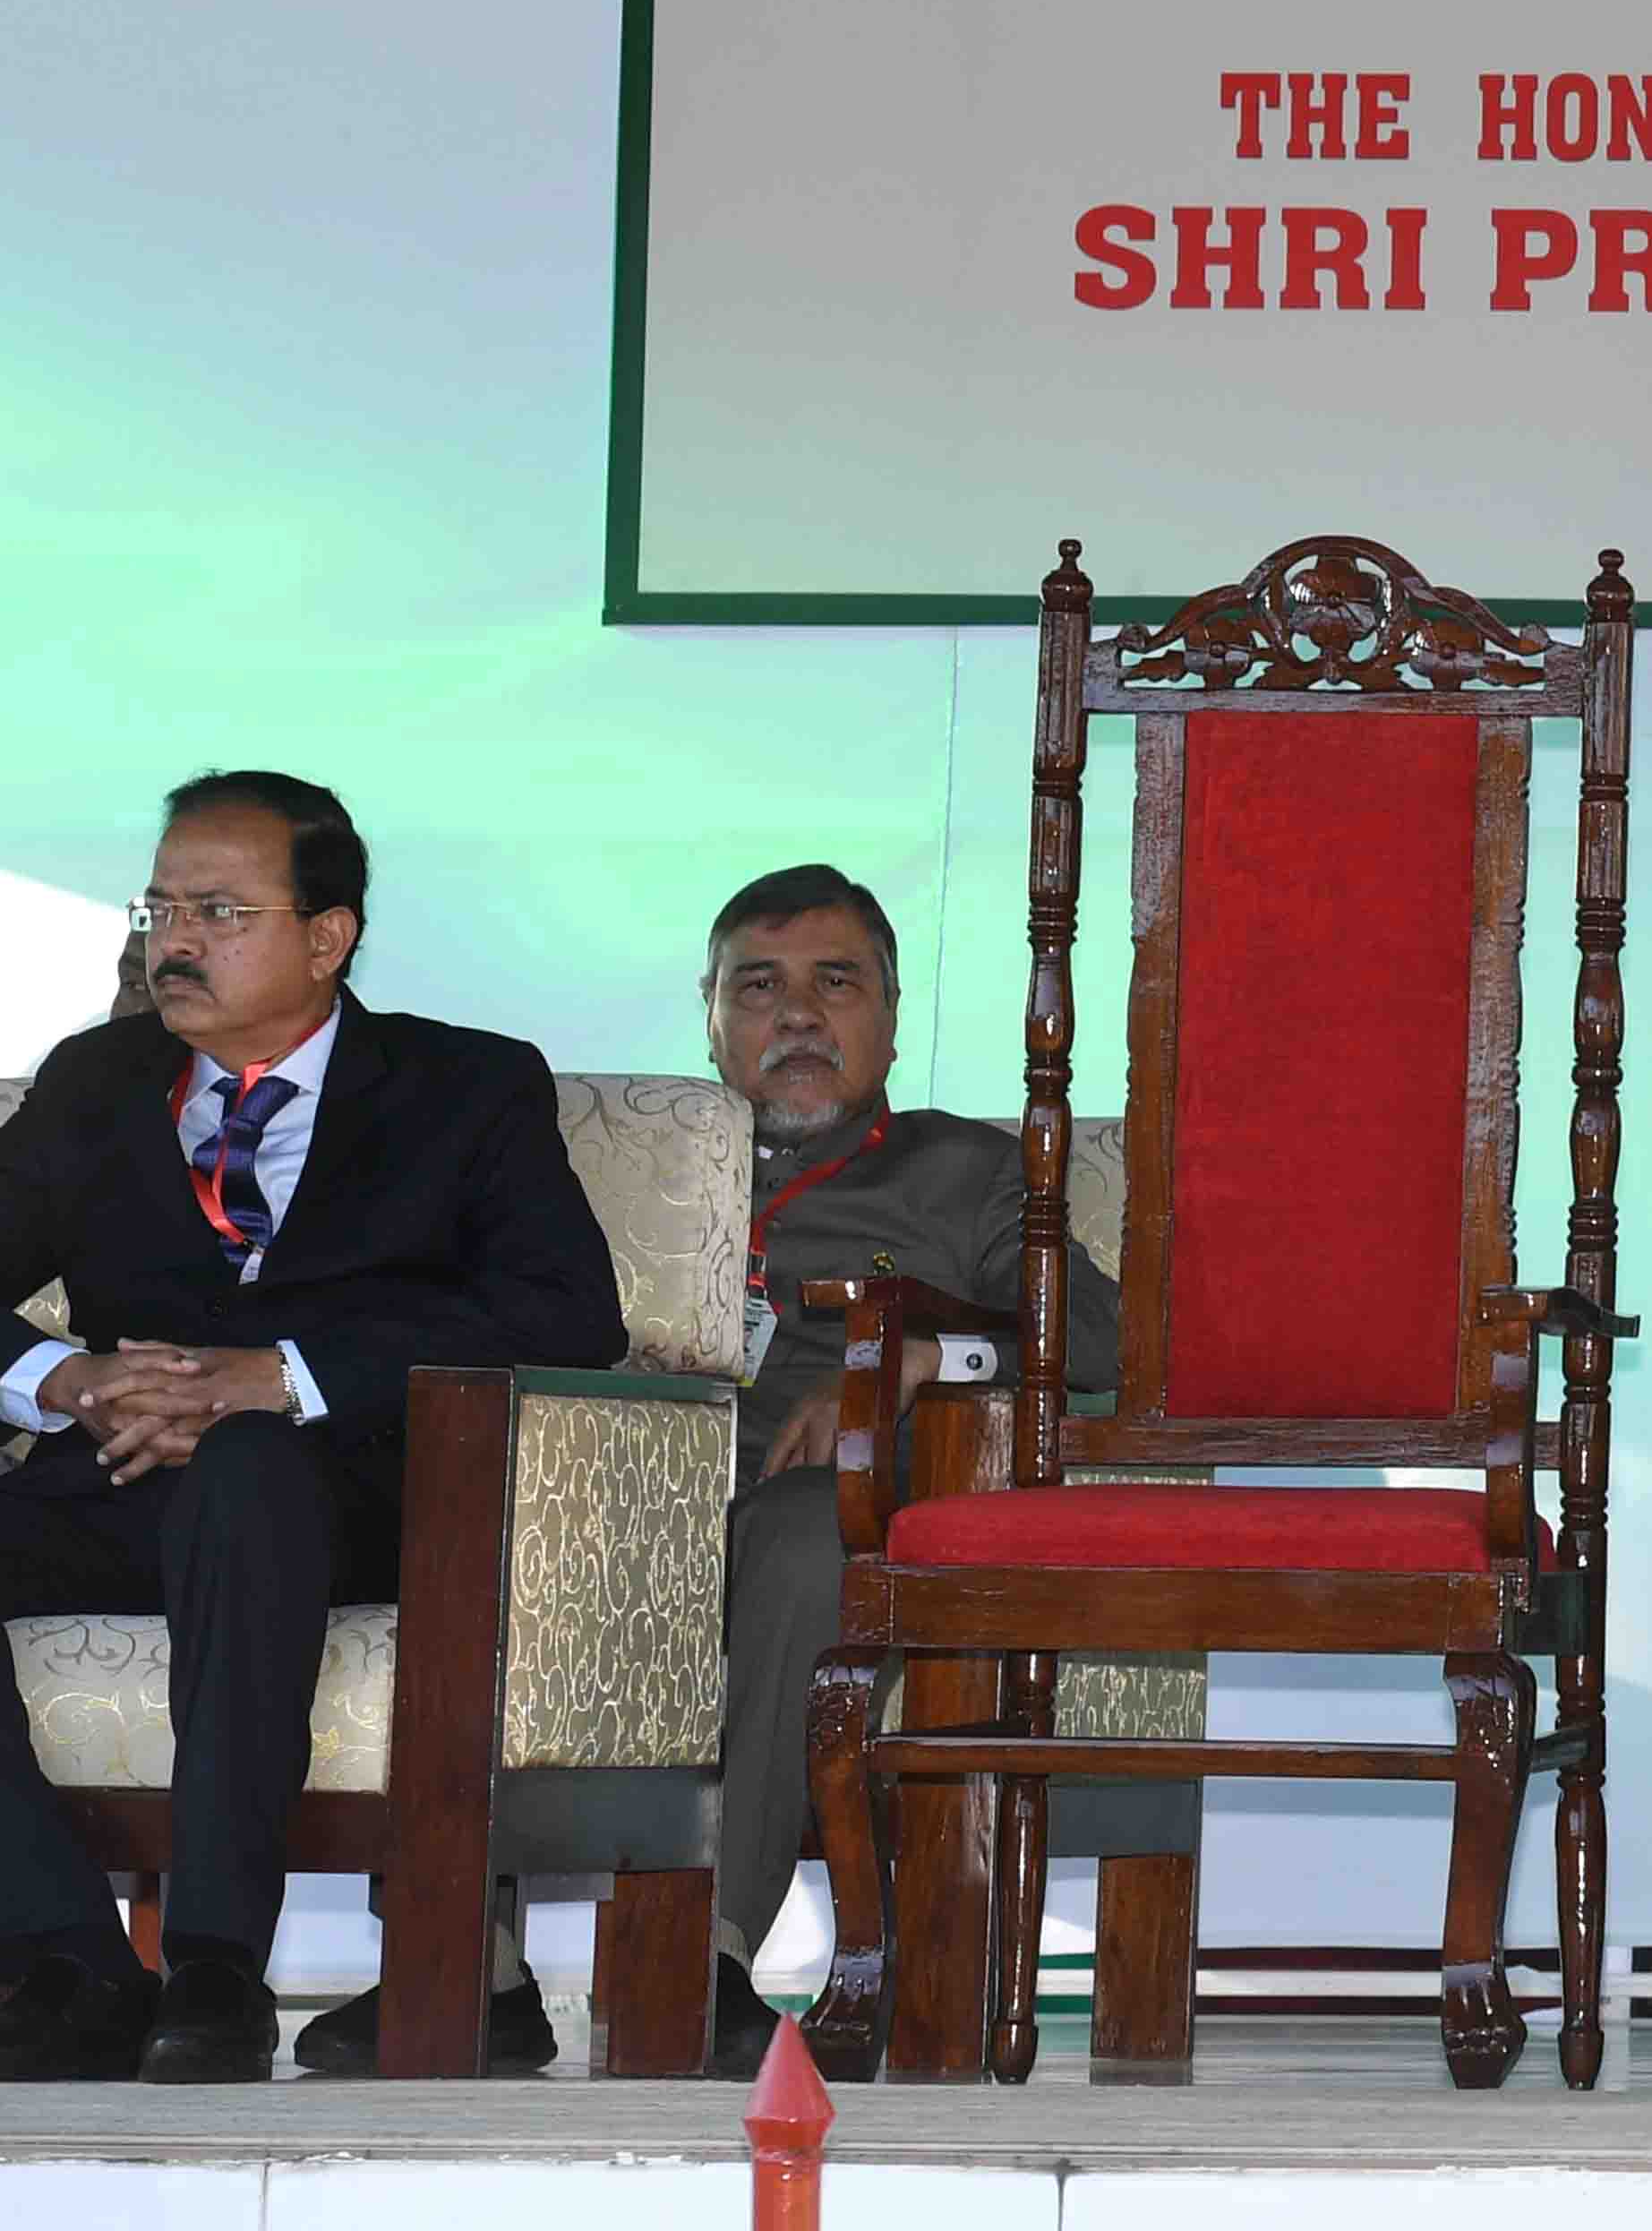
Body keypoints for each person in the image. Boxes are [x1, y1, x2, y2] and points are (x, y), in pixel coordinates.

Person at [289, 863, 1123, 2081]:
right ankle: (476, 1965)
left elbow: (1097, 1337)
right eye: (759, 986)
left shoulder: (959, 1169)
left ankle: (711, 1958)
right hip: (626, 1476)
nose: (797, 1015)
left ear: (891, 1011)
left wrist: (929, 1357)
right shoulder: (619, 1158)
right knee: (447, 1506)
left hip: (843, 1485)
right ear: (709, 1011)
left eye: (835, 983)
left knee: (802, 1534)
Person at [0, 773, 624, 2085]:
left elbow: (568, 1314)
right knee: (203, 1470)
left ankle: (217, 1964)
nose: (176, 939)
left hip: (355, 1498)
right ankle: (68, 1955)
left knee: (247, 1467)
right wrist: (66, 1379)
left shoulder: (466, 1085)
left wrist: (283, 1375)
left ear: (327, 936)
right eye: (162, 906)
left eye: (218, 910)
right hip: (119, 1480)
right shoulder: (95, 1081)